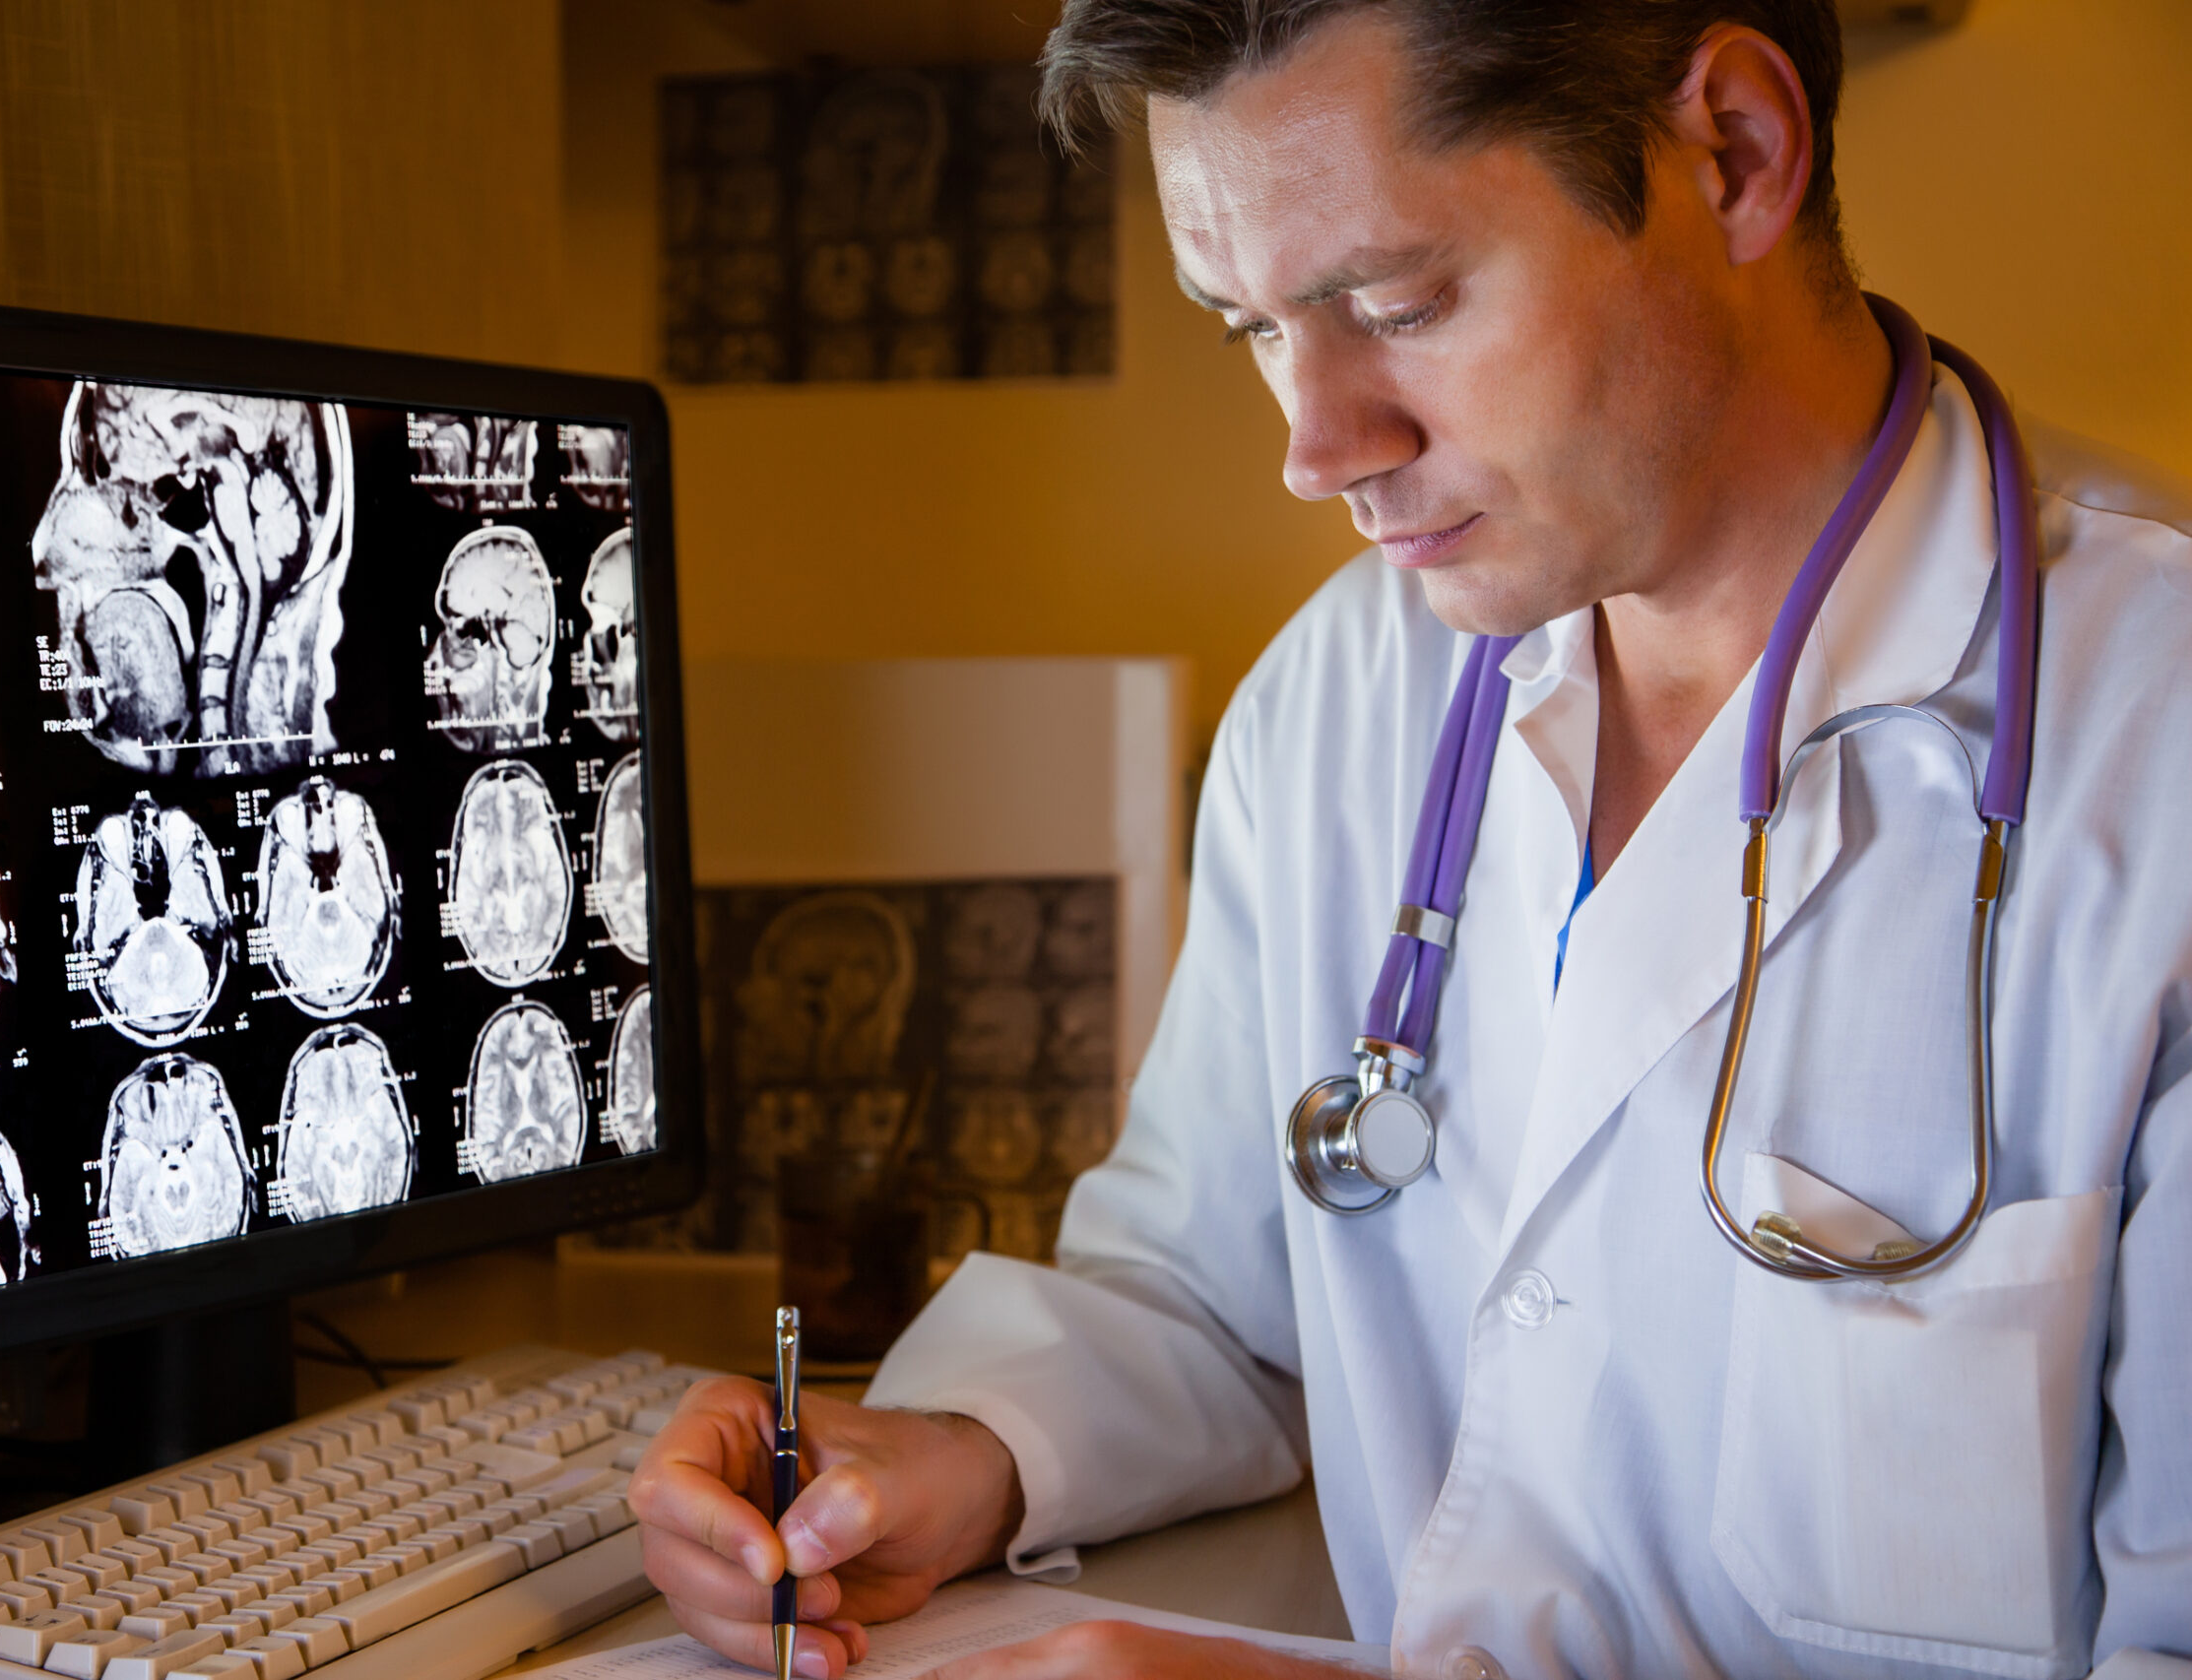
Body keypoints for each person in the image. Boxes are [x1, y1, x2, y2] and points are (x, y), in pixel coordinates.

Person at [627, 3, 2192, 1676]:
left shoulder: (2150, 748)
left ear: (1733, 153)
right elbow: (1215, 1298)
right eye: (1249, 329)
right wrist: (955, 1450)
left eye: (1397, 304)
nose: (1316, 451)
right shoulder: (1343, 701)